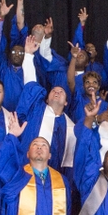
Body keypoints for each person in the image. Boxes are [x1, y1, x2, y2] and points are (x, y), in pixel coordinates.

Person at [16, 37, 77, 173]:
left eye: (61, 92)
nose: (57, 92)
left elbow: (69, 163)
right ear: (47, 99)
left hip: (53, 178)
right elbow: (30, 85)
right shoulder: (36, 109)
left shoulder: (71, 127)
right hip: (25, 171)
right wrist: (28, 55)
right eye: (53, 91)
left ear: (66, 102)